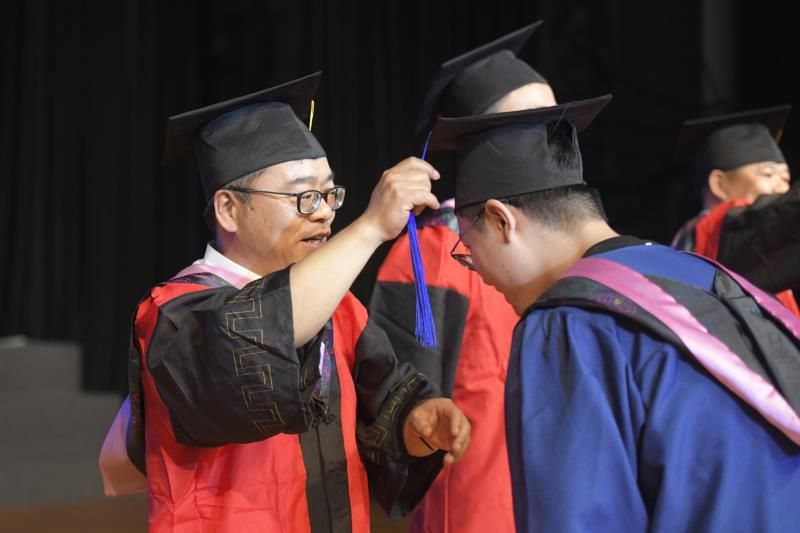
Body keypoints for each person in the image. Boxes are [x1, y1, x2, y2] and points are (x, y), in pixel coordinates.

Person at [116, 72, 472, 533]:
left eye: (329, 194)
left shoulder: (341, 308)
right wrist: (369, 227)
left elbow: (384, 404)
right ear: (228, 209)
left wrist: (418, 423)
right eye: (304, 196)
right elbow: (258, 332)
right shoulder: (176, 314)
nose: (324, 212)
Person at [428, 96, 800, 532]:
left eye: (469, 249)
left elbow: (578, 518)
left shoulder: (565, 324)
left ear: (501, 220)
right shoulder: (710, 275)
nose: (479, 271)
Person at [369, 22, 554, 533]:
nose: (552, 138)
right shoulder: (434, 251)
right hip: (478, 507)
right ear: (485, 141)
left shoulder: (563, 240)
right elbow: (406, 405)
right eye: (532, 122)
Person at [671, 106, 800, 315]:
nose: (782, 189)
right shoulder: (711, 229)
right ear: (719, 183)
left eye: (786, 179)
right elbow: (770, 216)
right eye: (768, 174)